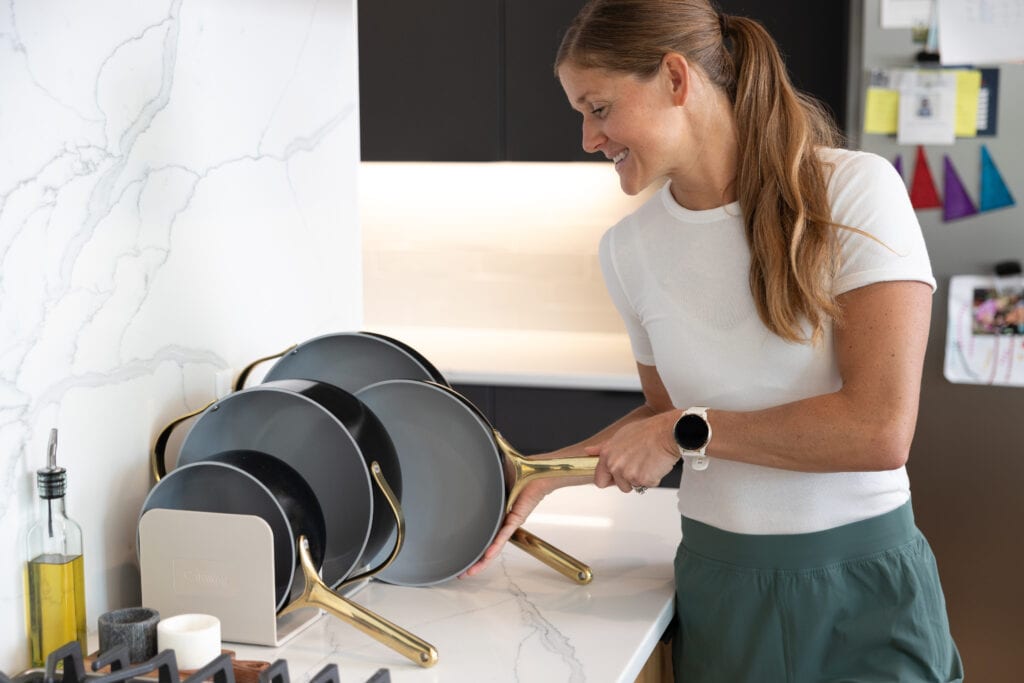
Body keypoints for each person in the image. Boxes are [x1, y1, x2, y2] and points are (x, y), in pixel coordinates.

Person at [461, 0, 964, 680]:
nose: (587, 137)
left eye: (599, 108)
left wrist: (679, 432)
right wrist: (545, 473)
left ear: (675, 78)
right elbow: (667, 414)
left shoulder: (851, 192)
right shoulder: (628, 250)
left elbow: (877, 430)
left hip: (859, 589)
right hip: (719, 590)